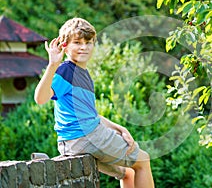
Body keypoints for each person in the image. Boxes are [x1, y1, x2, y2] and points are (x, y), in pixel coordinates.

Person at [34, 17, 154, 188]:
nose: (84, 47)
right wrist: (53, 64)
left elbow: (90, 115)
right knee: (143, 160)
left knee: (127, 173)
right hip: (86, 137)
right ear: (64, 46)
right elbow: (40, 99)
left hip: (75, 142)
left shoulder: (83, 73)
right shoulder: (65, 71)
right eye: (77, 42)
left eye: (88, 42)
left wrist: (119, 129)